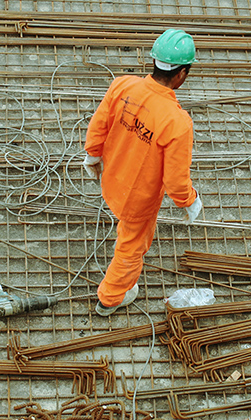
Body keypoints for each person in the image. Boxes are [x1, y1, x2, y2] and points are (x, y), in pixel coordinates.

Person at [82, 29, 203, 316]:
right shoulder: (177, 122)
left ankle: (114, 291)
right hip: (137, 199)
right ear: (182, 74)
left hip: (112, 178)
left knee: (126, 233)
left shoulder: (123, 85)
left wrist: (92, 155)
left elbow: (98, 124)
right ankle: (110, 298)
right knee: (131, 247)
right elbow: (175, 180)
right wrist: (189, 201)